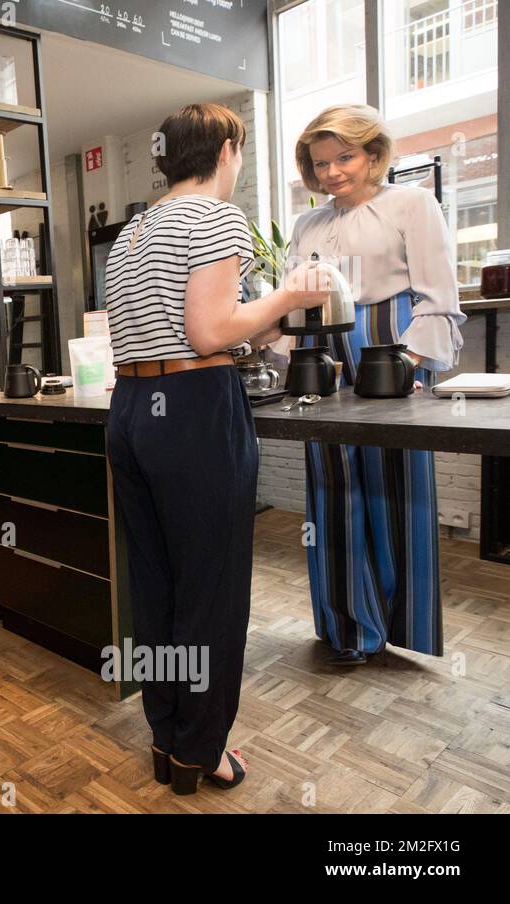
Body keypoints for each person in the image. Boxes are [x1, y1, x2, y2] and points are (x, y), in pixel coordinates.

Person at [105, 103, 328, 795]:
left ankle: (169, 738)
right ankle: (202, 752)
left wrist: (251, 332)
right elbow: (207, 333)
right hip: (194, 417)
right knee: (211, 590)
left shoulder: (134, 230)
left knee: (158, 585)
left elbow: (183, 334)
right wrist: (290, 293)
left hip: (133, 409)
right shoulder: (215, 217)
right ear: (226, 149)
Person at [287, 104, 465, 666]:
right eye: (320, 164)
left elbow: (438, 298)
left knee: (394, 489)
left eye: (345, 157)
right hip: (326, 356)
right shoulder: (306, 225)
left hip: (393, 354)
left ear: (373, 154)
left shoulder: (412, 204)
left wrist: (407, 364)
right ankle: (347, 629)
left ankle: (399, 626)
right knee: (333, 490)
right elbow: (298, 306)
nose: (333, 172)